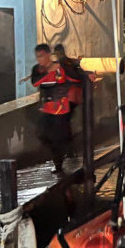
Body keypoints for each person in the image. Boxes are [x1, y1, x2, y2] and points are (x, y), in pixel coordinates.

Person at [31, 43, 79, 173]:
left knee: (58, 137)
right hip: (46, 108)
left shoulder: (61, 67)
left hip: (61, 109)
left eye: (41, 56)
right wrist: (48, 71)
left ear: (48, 55)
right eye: (37, 57)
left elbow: (75, 77)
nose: (39, 59)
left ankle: (59, 164)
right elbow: (35, 82)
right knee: (42, 134)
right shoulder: (37, 69)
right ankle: (63, 152)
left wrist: (86, 75)